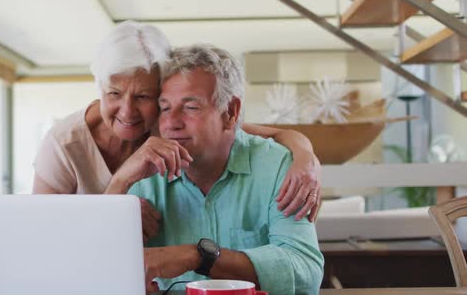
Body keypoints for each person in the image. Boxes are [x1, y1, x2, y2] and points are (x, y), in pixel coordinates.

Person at [32, 21, 321, 224]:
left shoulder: (167, 125)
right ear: (99, 89)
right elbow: (40, 231)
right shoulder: (64, 143)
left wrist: (306, 161)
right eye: (114, 93)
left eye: (144, 96)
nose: (128, 111)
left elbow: (276, 133)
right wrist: (120, 206)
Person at [123, 44, 323, 294]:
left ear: (230, 112)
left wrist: (198, 256)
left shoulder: (278, 166)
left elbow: (306, 273)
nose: (172, 123)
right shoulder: (143, 178)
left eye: (191, 107)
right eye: (164, 108)